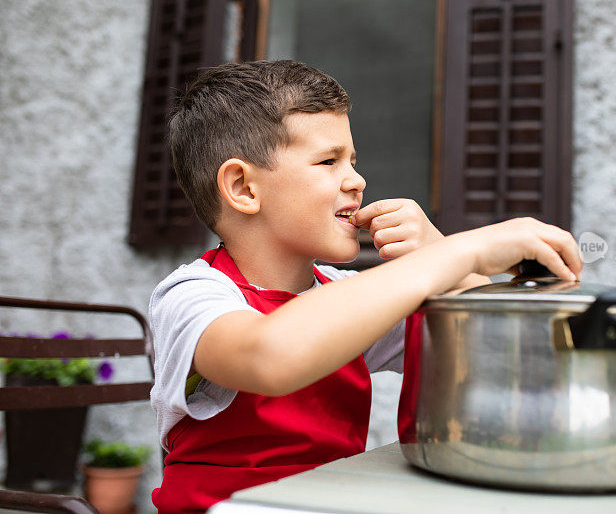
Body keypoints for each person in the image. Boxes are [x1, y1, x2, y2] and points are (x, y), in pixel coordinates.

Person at [149, 59, 583, 512]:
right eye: (328, 161)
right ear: (243, 187)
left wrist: (441, 252)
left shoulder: (344, 294)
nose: (356, 181)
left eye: (352, 162)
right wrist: (459, 252)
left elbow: (488, 349)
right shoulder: (192, 296)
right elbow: (269, 354)